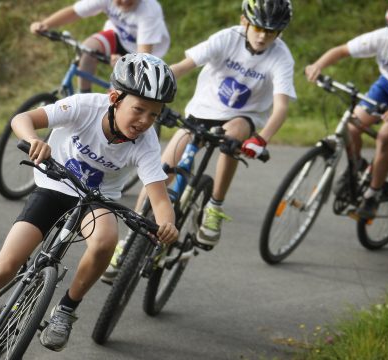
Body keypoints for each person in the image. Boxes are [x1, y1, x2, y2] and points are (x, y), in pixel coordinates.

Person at [0, 53, 179, 360]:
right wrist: (34, 139)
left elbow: (158, 196)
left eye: (154, 115)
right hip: (54, 184)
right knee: (4, 267)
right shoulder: (86, 106)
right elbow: (22, 120)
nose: (144, 121)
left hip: (96, 200)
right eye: (139, 109)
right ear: (115, 98)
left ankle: (66, 310)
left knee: (105, 240)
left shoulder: (146, 143)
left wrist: (166, 223)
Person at [100, 0, 295, 282]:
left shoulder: (281, 56)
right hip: (201, 112)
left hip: (244, 116)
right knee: (159, 172)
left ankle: (215, 205)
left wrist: (262, 139)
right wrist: (151, 89)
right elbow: (184, 65)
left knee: (232, 137)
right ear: (244, 21)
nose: (263, 35)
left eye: (272, 31)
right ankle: (128, 242)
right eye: (258, 27)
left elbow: (281, 107)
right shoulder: (227, 38)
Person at [305, 0, 388, 219]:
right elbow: (343, 50)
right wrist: (317, 65)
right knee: (352, 127)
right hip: (385, 86)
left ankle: (373, 194)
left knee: (385, 135)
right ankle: (357, 168)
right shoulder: (382, 37)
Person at [29, 0, 170, 93]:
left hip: (143, 50)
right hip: (117, 35)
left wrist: (126, 62)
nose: (125, 2)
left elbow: (143, 56)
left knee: (117, 96)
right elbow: (74, 12)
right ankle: (83, 98)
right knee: (87, 48)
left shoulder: (150, 11)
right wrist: (45, 24)